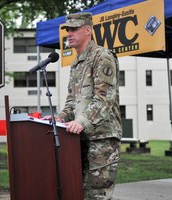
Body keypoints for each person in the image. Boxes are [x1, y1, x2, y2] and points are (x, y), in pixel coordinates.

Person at [42, 12, 122, 200]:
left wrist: (83, 121)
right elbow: (72, 101)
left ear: (87, 30)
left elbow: (104, 98)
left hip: (102, 139)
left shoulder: (102, 57)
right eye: (67, 29)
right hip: (79, 138)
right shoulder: (76, 64)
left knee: (96, 195)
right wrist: (60, 117)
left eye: (74, 29)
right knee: (78, 191)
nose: (69, 33)